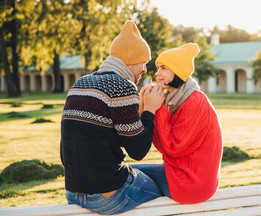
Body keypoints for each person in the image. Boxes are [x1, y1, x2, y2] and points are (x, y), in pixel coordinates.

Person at [60, 20, 166, 215]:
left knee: (155, 172)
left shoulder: (81, 83)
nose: (145, 69)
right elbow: (138, 150)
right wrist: (150, 109)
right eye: (144, 62)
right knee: (166, 190)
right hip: (106, 194)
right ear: (132, 59)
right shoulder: (122, 87)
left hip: (73, 191)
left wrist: (139, 108)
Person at [132, 43, 223, 204]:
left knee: (126, 176)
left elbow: (172, 148)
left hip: (192, 184)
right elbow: (162, 144)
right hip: (185, 176)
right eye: (158, 67)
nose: (157, 73)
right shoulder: (178, 100)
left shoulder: (195, 102)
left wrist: (156, 107)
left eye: (164, 68)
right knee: (128, 173)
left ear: (178, 72)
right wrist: (144, 103)